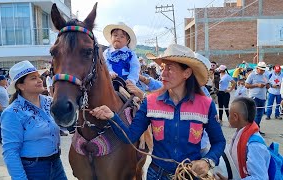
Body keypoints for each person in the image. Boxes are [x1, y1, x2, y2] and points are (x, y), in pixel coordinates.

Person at [90, 44, 226, 179]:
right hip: (156, 175)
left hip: (190, 175)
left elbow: (219, 141)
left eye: (169, 69)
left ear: (187, 73)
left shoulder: (206, 104)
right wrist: (112, 117)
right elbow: (130, 136)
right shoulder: (150, 102)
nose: (163, 74)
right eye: (162, 68)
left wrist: (208, 161)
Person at [1, 60, 67, 180]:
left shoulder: (50, 102)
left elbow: (66, 125)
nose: (40, 80)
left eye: (39, 77)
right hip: (33, 169)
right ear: (21, 86)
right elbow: (10, 152)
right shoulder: (12, 113)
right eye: (33, 78)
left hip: (56, 164)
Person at [215, 97, 270, 180]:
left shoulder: (254, 145)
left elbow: (260, 177)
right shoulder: (241, 132)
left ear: (236, 116)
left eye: (229, 114)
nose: (229, 117)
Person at [245, 62, 270, 135]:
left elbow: (268, 85)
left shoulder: (265, 75)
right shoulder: (252, 75)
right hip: (254, 97)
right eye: (261, 70)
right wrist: (257, 85)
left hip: (263, 97)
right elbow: (246, 85)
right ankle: (252, 130)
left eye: (263, 70)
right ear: (257, 68)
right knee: (254, 114)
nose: (262, 71)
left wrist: (268, 85)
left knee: (260, 114)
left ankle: (256, 128)